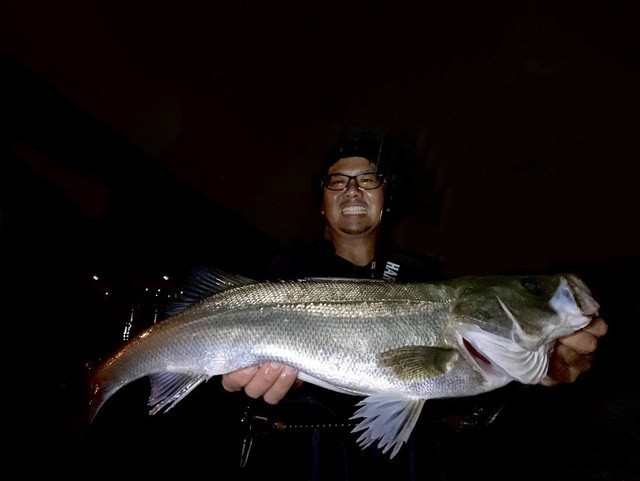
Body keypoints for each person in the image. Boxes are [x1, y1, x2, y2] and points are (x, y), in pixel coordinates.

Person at [220, 128, 609, 480]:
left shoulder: (427, 276)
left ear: (386, 197)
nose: (352, 191)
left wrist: (547, 365)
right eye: (337, 181)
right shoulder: (282, 273)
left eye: (367, 180)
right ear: (322, 202)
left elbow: (475, 389)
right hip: (304, 461)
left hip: (408, 466)